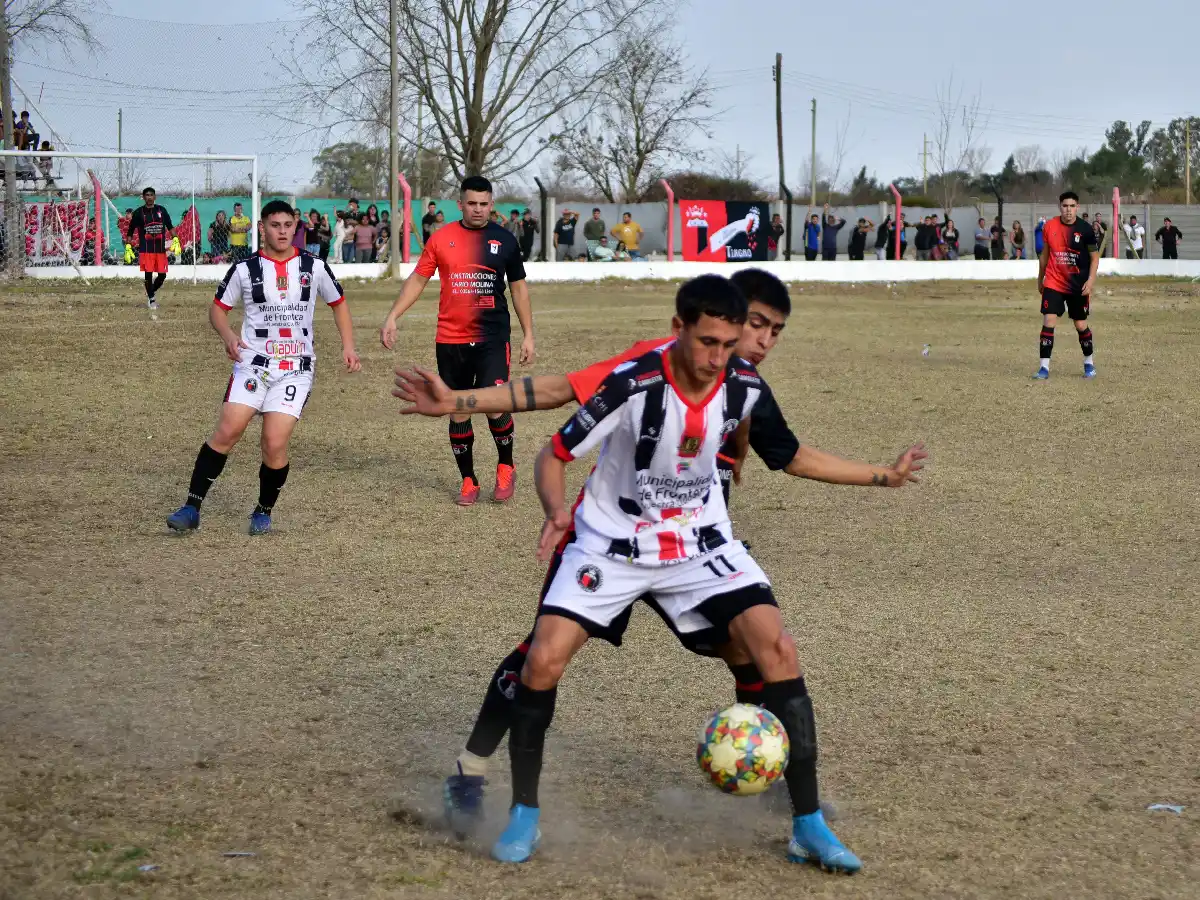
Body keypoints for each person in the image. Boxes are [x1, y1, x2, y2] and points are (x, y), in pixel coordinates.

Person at [416, 274, 920, 868]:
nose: (746, 347)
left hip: (694, 545)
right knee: (540, 658)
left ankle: (799, 814)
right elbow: (554, 406)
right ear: (684, 325)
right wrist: (463, 405)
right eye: (744, 329)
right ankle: (483, 783)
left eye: (763, 333)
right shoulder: (637, 377)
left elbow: (791, 454)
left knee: (768, 647)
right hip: (610, 542)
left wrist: (885, 475)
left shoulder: (745, 385)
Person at [165, 200, 362, 535]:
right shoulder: (245, 269)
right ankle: (191, 507)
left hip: (296, 367)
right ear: (262, 227)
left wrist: (348, 346)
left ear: (296, 225)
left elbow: (338, 304)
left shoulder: (313, 266)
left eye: (287, 225)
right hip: (253, 364)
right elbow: (217, 310)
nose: (282, 231)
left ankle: (263, 509)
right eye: (275, 225)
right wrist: (227, 335)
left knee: (273, 443)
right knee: (228, 430)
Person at [379, 175, 536, 506]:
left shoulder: (505, 240)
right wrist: (393, 316)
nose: (478, 210)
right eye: (472, 204)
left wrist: (528, 335)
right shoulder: (441, 238)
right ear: (460, 204)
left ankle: (506, 465)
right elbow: (418, 280)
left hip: (493, 336)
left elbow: (519, 288)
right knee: (457, 409)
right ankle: (468, 480)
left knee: (494, 405)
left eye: (484, 204)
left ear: (491, 205)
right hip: (451, 338)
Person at [1035, 191, 1099, 380]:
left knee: (1080, 325)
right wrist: (1040, 279)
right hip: (1054, 282)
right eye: (1065, 206)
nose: (1068, 210)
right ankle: (1043, 368)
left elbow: (1095, 258)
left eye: (1072, 206)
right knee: (1049, 321)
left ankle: (1089, 363)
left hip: (1077, 285)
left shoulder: (1086, 229)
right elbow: (1044, 257)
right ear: (1059, 207)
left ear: (1077, 207)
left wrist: (1091, 281)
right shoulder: (1050, 226)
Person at [127, 187, 174, 310]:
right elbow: (130, 230)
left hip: (160, 249)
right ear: (143, 197)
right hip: (146, 249)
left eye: (151, 195)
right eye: (146, 195)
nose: (149, 197)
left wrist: (176, 239)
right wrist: (128, 245)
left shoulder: (161, 210)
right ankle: (152, 299)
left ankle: (150, 292)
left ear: (155, 197)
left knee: (162, 275)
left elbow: (170, 226)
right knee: (148, 275)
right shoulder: (138, 213)